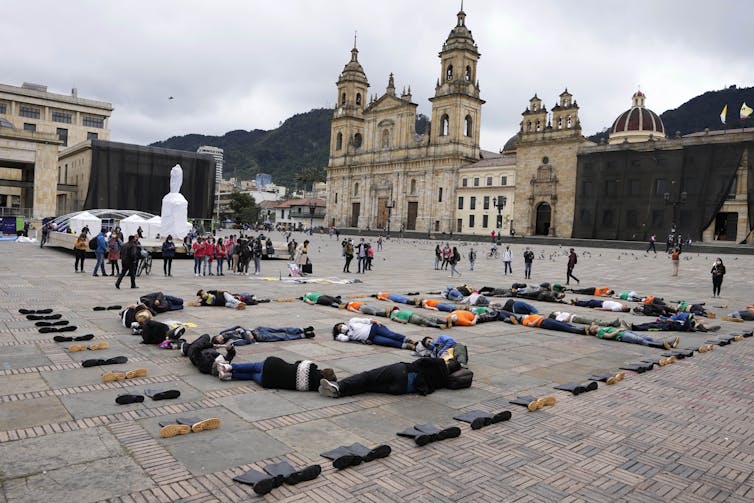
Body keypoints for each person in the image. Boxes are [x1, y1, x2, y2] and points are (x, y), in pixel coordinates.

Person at [319, 357, 457, 398]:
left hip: (401, 371)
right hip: (401, 389)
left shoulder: (439, 362)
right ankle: (338, 393)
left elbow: (419, 362)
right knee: (368, 388)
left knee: (367, 377)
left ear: (448, 363)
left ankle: (338, 386)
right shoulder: (444, 380)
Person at [216, 356, 336, 388]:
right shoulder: (313, 387)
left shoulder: (312, 366)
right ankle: (230, 375)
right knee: (253, 375)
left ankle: (229, 367)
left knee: (253, 366)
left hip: (273, 365)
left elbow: (297, 362)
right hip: (268, 381)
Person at [333, 318, 416, 350]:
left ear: (343, 323)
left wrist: (376, 321)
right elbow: (343, 339)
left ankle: (409, 340)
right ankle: (407, 346)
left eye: (341, 326)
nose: (342, 328)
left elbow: (365, 320)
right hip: (372, 338)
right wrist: (338, 336)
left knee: (391, 335)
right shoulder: (348, 336)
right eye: (340, 329)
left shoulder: (351, 321)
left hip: (375, 328)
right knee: (388, 342)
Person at [586, 325, 679, 349]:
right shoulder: (599, 332)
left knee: (646, 337)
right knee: (641, 340)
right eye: (592, 327)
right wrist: (618, 330)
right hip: (622, 335)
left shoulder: (600, 328)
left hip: (624, 332)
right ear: (593, 331)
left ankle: (667, 343)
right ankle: (661, 345)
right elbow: (609, 336)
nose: (594, 326)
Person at [213, 325, 315, 346]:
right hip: (260, 337)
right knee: (282, 336)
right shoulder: (231, 342)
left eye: (219, 336)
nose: (221, 337)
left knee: (279, 328)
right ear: (221, 342)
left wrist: (246, 331)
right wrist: (244, 332)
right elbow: (247, 341)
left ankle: (301, 329)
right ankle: (303, 336)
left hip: (257, 330)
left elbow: (238, 326)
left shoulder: (224, 332)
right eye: (220, 339)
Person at [549, 311, 621, 327]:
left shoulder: (558, 315)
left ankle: (609, 323)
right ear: (553, 315)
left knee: (592, 320)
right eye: (554, 312)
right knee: (591, 321)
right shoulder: (558, 318)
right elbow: (565, 321)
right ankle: (610, 323)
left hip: (575, 317)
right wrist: (570, 315)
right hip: (574, 318)